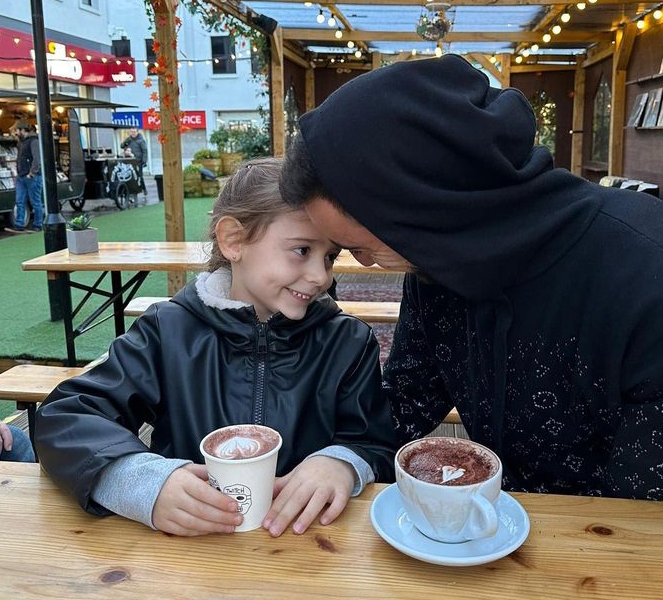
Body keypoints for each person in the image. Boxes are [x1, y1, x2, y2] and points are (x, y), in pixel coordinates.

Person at [279, 54, 663, 503]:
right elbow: (407, 399)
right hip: (494, 529)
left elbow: (659, 515)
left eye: (362, 247)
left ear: (423, 208)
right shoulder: (439, 261)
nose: (367, 265)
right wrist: (341, 458)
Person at [35, 157, 396, 536]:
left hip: (308, 546)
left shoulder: (348, 342)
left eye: (329, 256)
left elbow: (376, 443)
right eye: (302, 250)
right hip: (189, 550)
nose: (321, 276)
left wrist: (341, 463)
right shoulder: (167, 331)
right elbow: (64, 417)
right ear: (234, 240)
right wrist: (145, 482)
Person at [5, 121, 44, 234]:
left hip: (31, 176)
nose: (15, 133)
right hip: (22, 176)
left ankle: (38, 224)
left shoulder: (33, 141)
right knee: (19, 201)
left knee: (35, 202)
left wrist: (32, 173)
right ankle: (19, 224)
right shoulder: (21, 142)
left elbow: (37, 159)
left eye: (16, 130)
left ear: (22, 130)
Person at [121, 127, 148, 196]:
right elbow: (122, 146)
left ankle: (144, 189)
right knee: (131, 176)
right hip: (129, 161)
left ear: (137, 132)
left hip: (138, 161)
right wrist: (125, 142)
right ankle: (133, 191)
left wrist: (144, 161)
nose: (133, 133)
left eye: (134, 132)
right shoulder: (129, 139)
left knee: (139, 176)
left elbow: (145, 151)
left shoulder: (141, 141)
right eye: (131, 132)